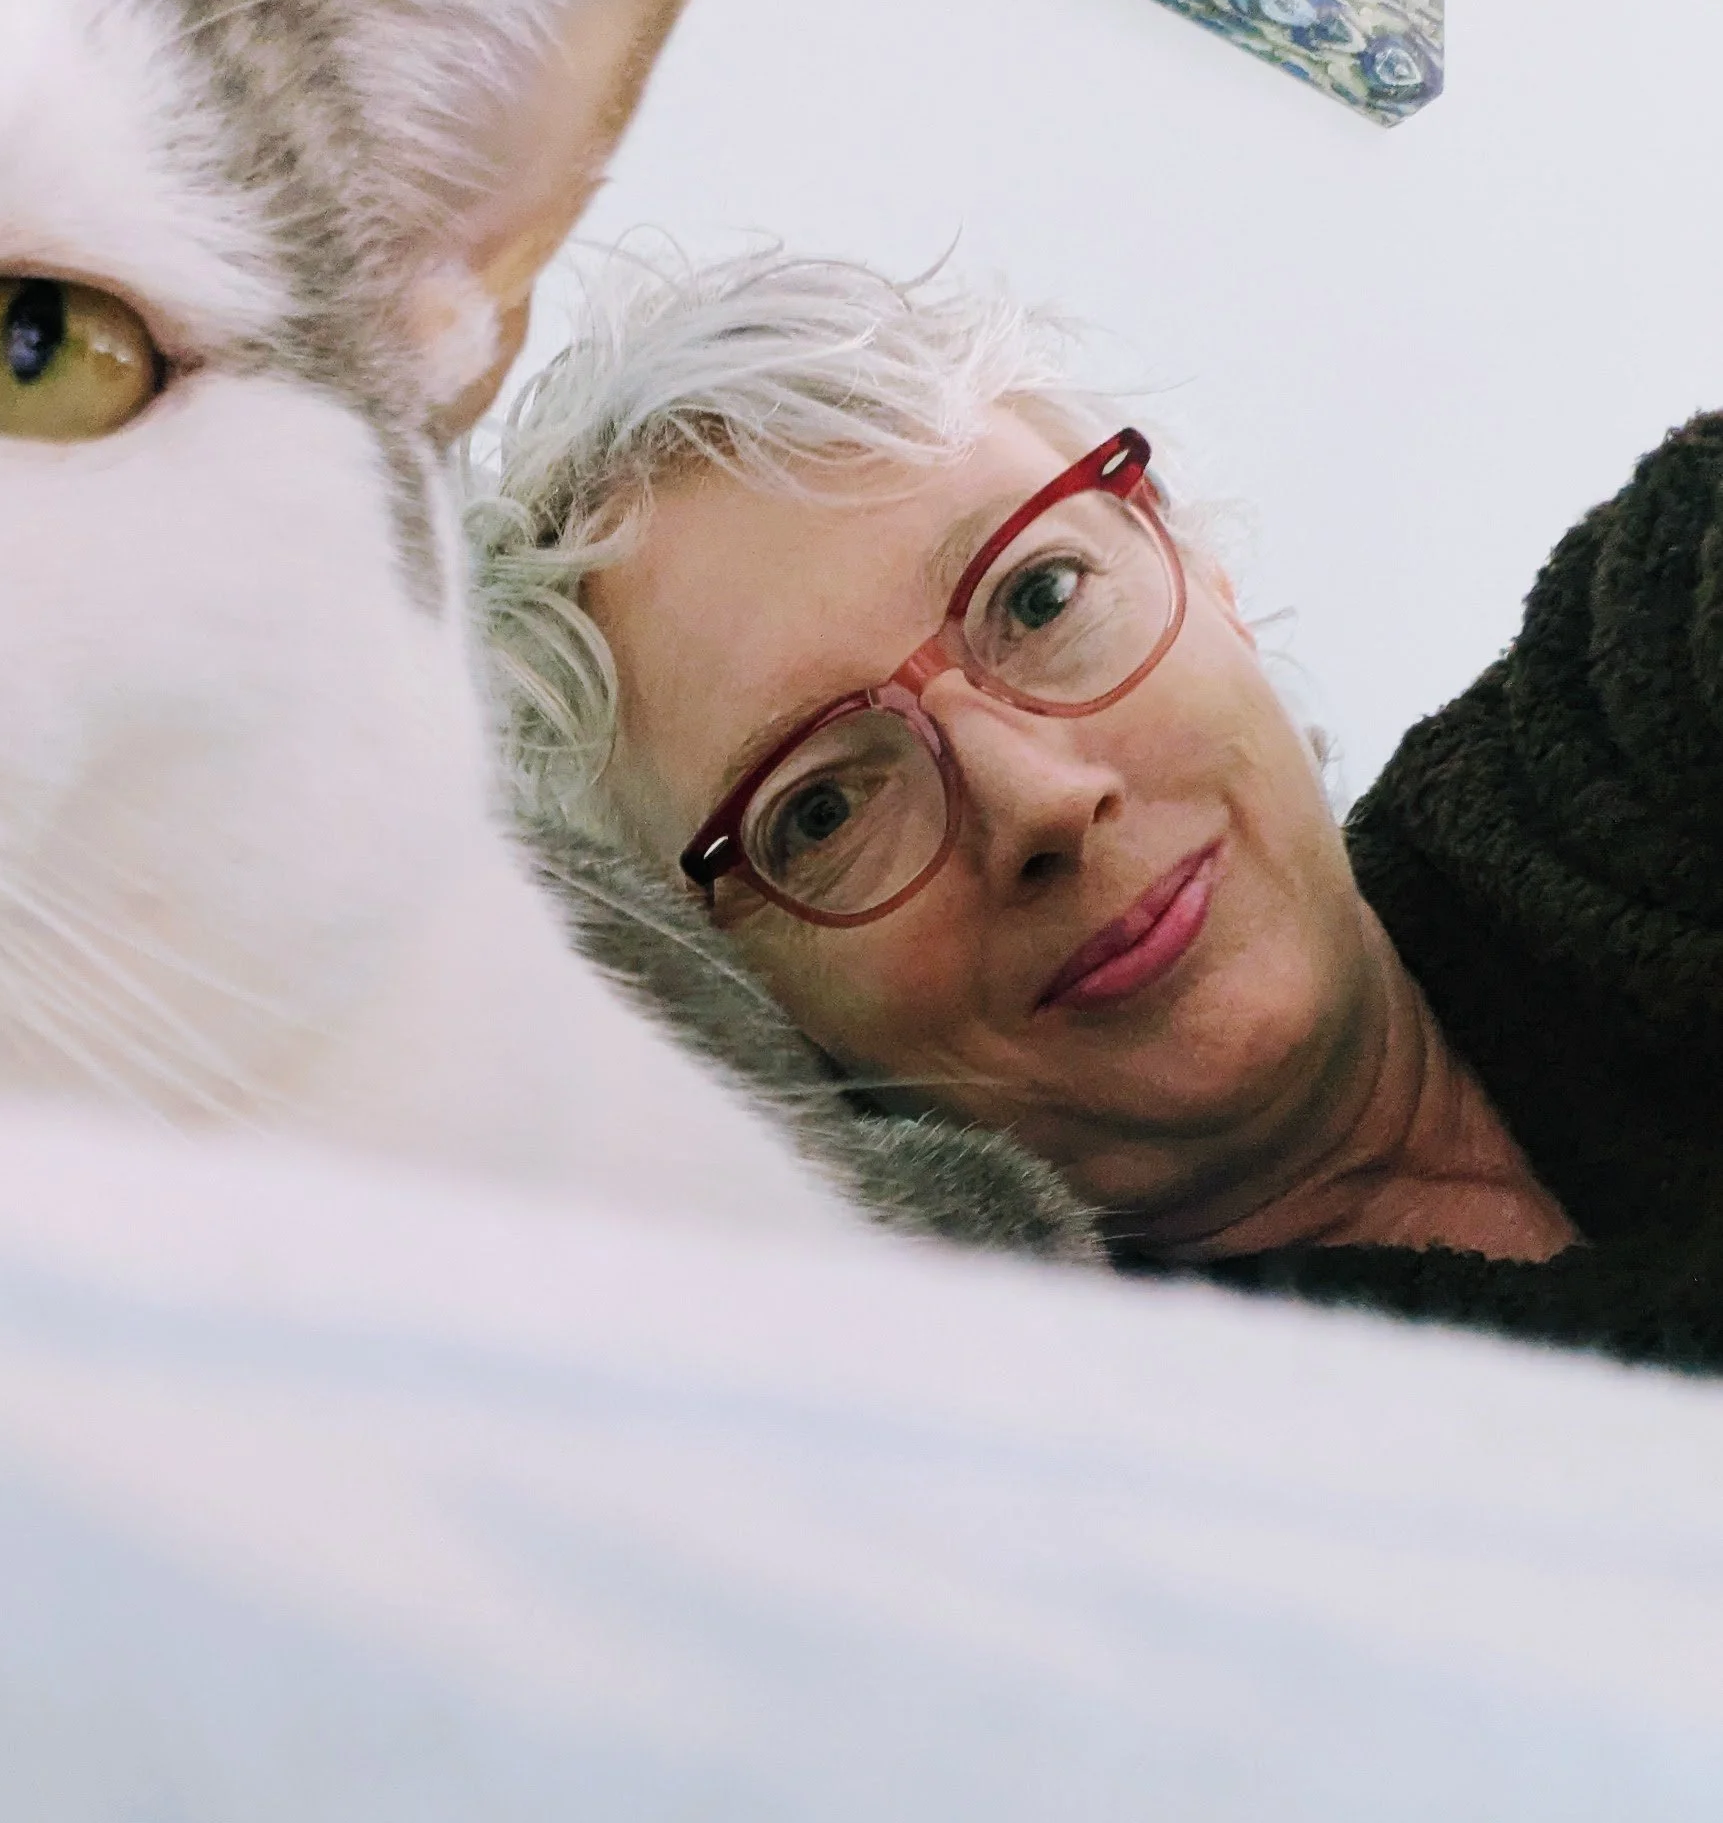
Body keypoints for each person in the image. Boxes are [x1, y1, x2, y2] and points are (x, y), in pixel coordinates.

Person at [470, 249, 1723, 1370]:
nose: (1039, 801)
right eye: (821, 810)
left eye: (1038, 596)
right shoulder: (1069, 1494)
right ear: (754, 1007)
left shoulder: (1630, 707)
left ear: (1198, 569)